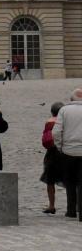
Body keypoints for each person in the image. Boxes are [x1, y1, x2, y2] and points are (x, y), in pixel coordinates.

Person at [51, 88, 82, 219]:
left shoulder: (64, 110)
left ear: (71, 99)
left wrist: (60, 147)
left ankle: (71, 210)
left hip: (68, 151)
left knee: (69, 181)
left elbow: (56, 132)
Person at [41, 102, 65, 214]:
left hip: (52, 153)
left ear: (52, 112)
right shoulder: (67, 120)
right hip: (67, 151)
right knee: (73, 180)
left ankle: (51, 205)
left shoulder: (49, 122)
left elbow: (45, 141)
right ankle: (75, 205)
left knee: (50, 180)